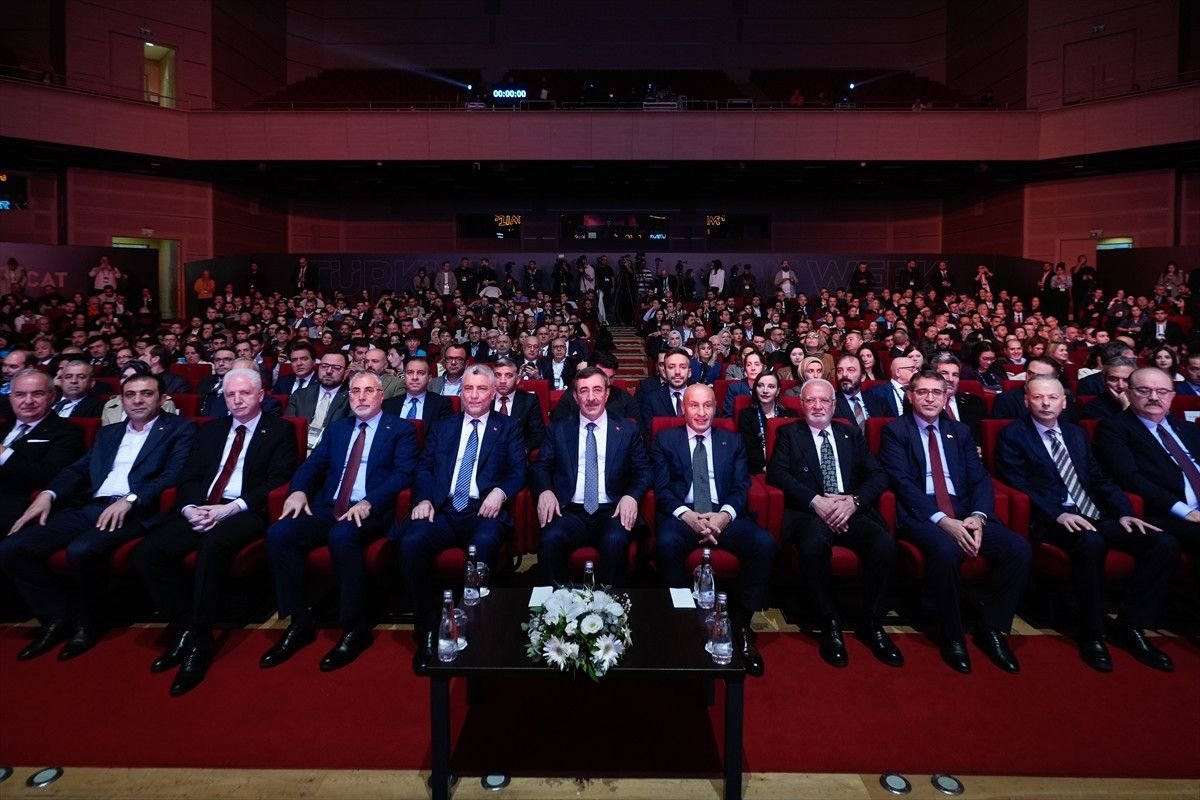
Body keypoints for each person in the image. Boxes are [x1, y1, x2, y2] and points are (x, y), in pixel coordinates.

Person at [0, 372, 196, 661]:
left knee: (82, 550)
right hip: (91, 506)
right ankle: (56, 617)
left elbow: (173, 474)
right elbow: (77, 470)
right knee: (13, 548)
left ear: (162, 399)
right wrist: (48, 494)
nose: (137, 400)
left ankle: (91, 622)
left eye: (146, 394)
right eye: (130, 395)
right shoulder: (109, 432)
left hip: (137, 509)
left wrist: (132, 498)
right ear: (122, 400)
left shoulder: (180, 428)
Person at [132, 368, 299, 694]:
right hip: (202, 507)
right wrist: (189, 508)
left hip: (245, 510)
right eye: (230, 395)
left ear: (260, 395)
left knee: (213, 546)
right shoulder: (211, 430)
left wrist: (230, 509)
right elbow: (189, 476)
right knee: (148, 553)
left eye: (244, 393)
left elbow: (278, 480)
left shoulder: (279, 430)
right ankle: (184, 624)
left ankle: (200, 638)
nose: (237, 400)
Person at [995, 375, 1177, 673]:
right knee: (1091, 543)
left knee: (1162, 543)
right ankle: (1091, 631)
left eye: (1052, 397)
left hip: (1094, 513)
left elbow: (1098, 478)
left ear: (1064, 402)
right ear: (1026, 401)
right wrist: (1057, 514)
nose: (1045, 403)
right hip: (1052, 519)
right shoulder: (1013, 435)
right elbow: (1018, 484)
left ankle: (1131, 625)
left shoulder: (1076, 433)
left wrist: (1124, 512)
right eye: (1038, 397)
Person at [261, 372, 418, 672]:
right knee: (280, 533)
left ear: (381, 395)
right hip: (329, 505)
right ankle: (299, 621)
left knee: (342, 536)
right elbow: (312, 465)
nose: (361, 397)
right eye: (355, 391)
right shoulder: (338, 429)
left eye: (368, 390)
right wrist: (297, 491)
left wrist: (370, 501)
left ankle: (355, 626)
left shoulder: (400, 429)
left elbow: (403, 474)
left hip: (370, 508)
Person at [878, 370, 1030, 674]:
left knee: (1018, 549)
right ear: (910, 396)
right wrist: (942, 520)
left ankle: (991, 628)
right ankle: (951, 634)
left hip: (964, 510)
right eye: (923, 392)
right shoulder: (895, 430)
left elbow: (979, 479)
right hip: (922, 514)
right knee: (946, 550)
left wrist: (978, 516)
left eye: (937, 392)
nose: (930, 398)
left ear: (946, 397)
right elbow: (901, 482)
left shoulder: (959, 431)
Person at [398, 364, 526, 675]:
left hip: (484, 510)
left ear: (493, 393)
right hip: (443, 509)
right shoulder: (444, 426)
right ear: (460, 392)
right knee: (412, 542)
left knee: (483, 547)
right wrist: (424, 499)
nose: (474, 395)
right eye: (468, 388)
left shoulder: (508, 427)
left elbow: (519, 470)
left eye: (481, 389)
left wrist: (500, 493)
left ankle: (474, 627)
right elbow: (424, 467)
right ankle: (429, 629)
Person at [767, 378, 902, 668]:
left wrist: (853, 502)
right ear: (801, 405)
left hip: (850, 509)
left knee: (885, 546)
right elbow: (777, 473)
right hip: (809, 512)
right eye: (811, 400)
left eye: (824, 400)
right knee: (814, 546)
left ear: (833, 404)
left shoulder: (850, 433)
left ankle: (871, 620)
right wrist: (816, 501)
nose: (818, 406)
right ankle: (828, 621)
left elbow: (878, 475)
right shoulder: (789, 433)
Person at [651, 383, 775, 677]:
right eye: (694, 405)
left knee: (764, 543)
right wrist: (688, 516)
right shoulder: (665, 440)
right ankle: (682, 620)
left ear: (716, 408)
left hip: (723, 514)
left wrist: (723, 516)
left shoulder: (732, 441)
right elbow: (662, 488)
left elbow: (741, 486)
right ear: (683, 408)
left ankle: (741, 624)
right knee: (666, 543)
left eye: (707, 405)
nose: (701, 412)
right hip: (684, 515)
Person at [532, 367, 651, 587]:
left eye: (597, 390)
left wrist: (631, 496)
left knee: (615, 541)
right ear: (575, 396)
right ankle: (555, 604)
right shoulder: (558, 430)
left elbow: (644, 471)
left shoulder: (627, 430)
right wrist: (545, 491)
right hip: (569, 511)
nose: (591, 398)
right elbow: (540, 466)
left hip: (612, 510)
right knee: (550, 539)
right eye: (584, 391)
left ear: (607, 393)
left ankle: (611, 604)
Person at [1094, 367, 1200, 601]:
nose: (1154, 397)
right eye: (1144, 390)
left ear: (1172, 396)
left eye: (1162, 391)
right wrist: (1187, 512)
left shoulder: (1189, 429)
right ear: (1128, 393)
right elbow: (1131, 479)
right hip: (1162, 513)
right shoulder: (1114, 429)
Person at [0, 370, 86, 534]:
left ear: (52, 397)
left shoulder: (67, 431)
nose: (28, 401)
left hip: (20, 503)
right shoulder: (3, 427)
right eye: (20, 394)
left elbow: (50, 475)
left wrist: (3, 453)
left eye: (37, 394)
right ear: (10, 398)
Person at [286, 351, 351, 453]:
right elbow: (288, 428)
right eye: (324, 366)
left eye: (336, 368)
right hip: (297, 449)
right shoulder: (300, 395)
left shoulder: (351, 399)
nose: (329, 371)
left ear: (346, 373)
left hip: (330, 452)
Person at [549, 351, 639, 424]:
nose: (607, 382)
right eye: (603, 376)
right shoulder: (572, 395)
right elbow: (558, 427)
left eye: (611, 377)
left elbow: (635, 431)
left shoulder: (624, 399)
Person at [737, 372, 797, 474]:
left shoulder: (790, 415)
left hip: (787, 469)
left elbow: (795, 448)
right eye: (760, 386)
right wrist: (766, 467)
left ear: (778, 391)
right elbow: (749, 449)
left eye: (771, 386)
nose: (765, 391)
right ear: (755, 389)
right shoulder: (746, 415)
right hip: (758, 469)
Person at [490, 357, 546, 453]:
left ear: (518, 379)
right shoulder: (484, 399)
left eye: (509, 375)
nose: (502, 381)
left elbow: (538, 434)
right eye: (498, 375)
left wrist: (521, 449)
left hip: (517, 453)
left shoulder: (529, 401)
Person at [381, 356, 454, 423]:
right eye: (410, 372)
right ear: (404, 377)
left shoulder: (441, 404)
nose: (415, 377)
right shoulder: (388, 405)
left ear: (429, 378)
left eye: (421, 373)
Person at [931, 353, 986, 442]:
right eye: (944, 373)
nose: (950, 379)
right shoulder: (926, 403)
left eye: (955, 375)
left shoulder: (974, 402)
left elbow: (983, 436)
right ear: (932, 377)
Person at [638, 348, 692, 434]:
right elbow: (647, 434)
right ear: (665, 372)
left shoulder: (702, 396)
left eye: (683, 367)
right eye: (671, 367)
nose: (677, 372)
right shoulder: (651, 399)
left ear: (689, 372)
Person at [831, 352, 889, 430]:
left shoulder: (878, 400)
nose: (844, 374)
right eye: (839, 370)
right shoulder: (831, 403)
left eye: (850, 370)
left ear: (862, 376)